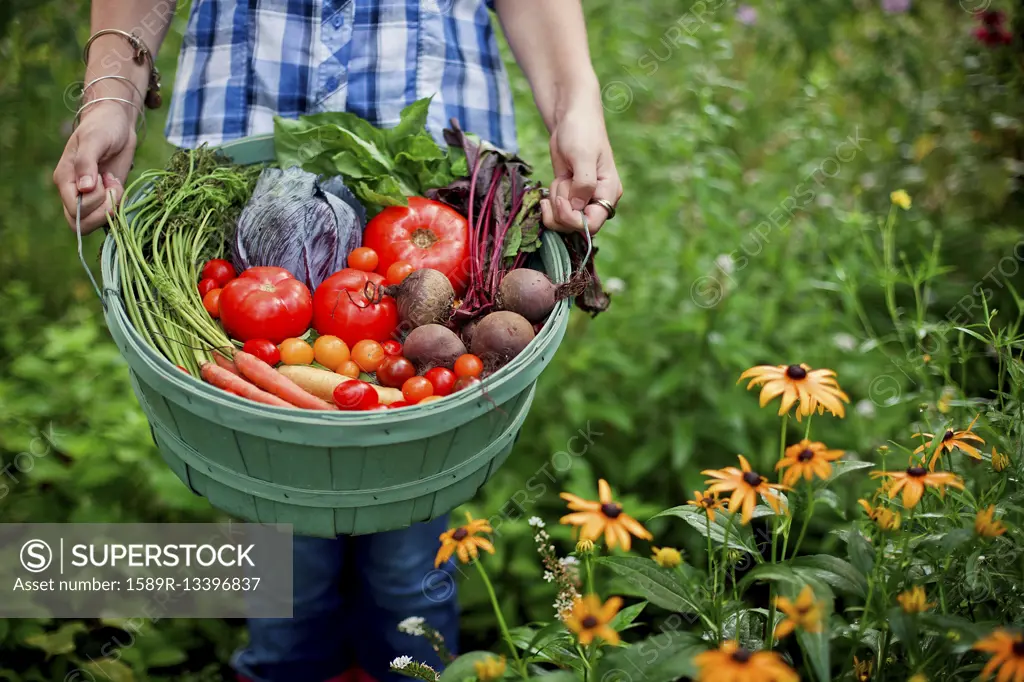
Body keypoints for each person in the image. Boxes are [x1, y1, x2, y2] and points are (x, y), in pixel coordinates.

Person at [52, 2, 622, 681]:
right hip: (243, 149)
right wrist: (111, 91)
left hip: (436, 159)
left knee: (412, 550)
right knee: (279, 528)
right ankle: (285, 661)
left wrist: (576, 101)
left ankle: (407, 666)